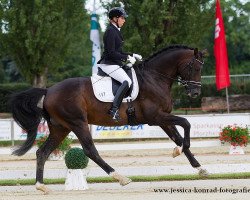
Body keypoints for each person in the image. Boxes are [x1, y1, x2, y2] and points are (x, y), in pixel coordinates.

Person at [98, 7, 142, 122]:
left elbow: (119, 52)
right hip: (108, 64)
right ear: (115, 18)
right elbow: (111, 53)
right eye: (122, 18)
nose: (124, 20)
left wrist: (132, 54)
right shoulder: (110, 31)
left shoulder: (116, 31)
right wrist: (126, 58)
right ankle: (114, 109)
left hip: (114, 63)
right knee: (127, 81)